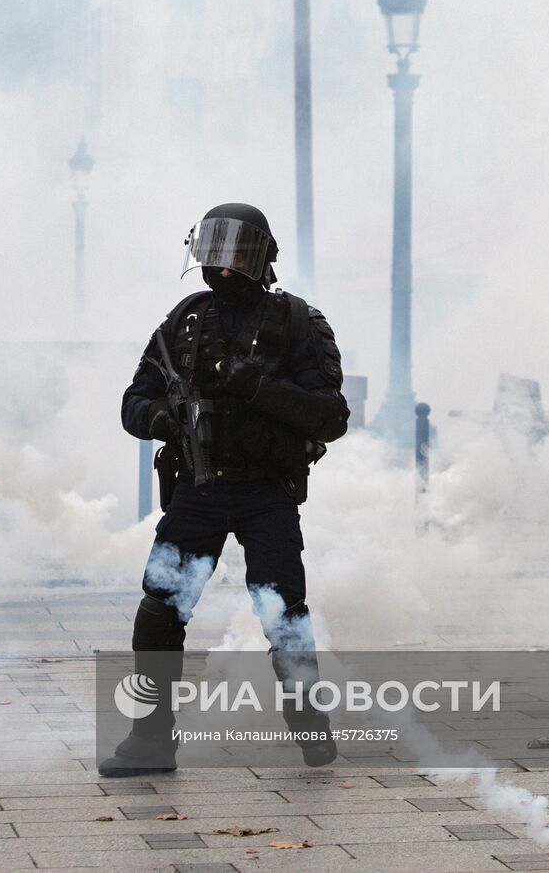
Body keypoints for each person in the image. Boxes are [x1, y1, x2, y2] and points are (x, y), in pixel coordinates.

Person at [99, 203, 350, 777]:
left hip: (267, 491)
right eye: (214, 253)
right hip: (199, 489)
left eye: (236, 254)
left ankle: (310, 724)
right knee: (161, 607)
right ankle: (151, 739)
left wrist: (260, 388)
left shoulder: (297, 323)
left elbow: (331, 417)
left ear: (261, 257)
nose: (224, 267)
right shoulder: (185, 321)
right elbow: (133, 399)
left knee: (284, 610)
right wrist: (162, 419)